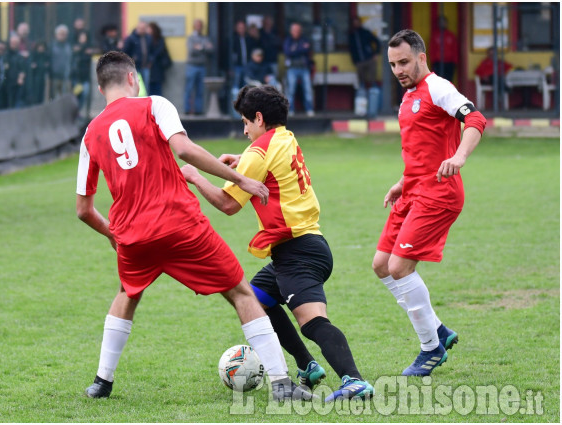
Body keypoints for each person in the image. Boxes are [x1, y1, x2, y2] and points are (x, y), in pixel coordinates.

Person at [76, 51, 312, 402]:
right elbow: (183, 149)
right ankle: (280, 384)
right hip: (179, 224)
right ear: (132, 78)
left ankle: (101, 382)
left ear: (100, 88)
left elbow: (83, 210)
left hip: (133, 236)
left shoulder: (90, 133)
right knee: (241, 293)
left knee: (128, 293)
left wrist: (114, 234)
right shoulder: (154, 104)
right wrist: (239, 179)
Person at [180, 85, 374, 402]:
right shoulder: (285, 137)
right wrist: (242, 159)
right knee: (256, 299)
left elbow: (228, 205)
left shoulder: (258, 152)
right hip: (303, 245)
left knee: (312, 322)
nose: (244, 130)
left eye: (245, 122)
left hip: (298, 251)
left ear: (259, 118)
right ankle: (307, 365)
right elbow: (272, 161)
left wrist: (195, 176)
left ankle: (354, 380)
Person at [373, 29, 486, 376]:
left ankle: (431, 349)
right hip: (413, 191)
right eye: (393, 64)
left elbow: (475, 119)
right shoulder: (408, 97)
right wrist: (402, 182)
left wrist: (461, 156)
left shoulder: (439, 88)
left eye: (404, 62)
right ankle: (438, 329)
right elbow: (422, 151)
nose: (398, 70)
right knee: (381, 265)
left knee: (399, 268)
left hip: (439, 194)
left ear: (421, 58)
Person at [283, 23, 314, 116]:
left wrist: (295, 50)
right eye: (294, 30)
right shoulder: (288, 40)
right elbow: (287, 52)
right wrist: (300, 49)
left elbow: (307, 50)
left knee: (307, 89)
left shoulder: (305, 39)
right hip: (292, 68)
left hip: (304, 68)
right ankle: (290, 109)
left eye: (298, 30)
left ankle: (309, 109)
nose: (296, 32)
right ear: (291, 31)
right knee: (291, 90)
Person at [184, 19, 213, 115]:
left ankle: (198, 110)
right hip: (192, 66)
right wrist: (204, 48)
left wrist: (200, 47)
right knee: (189, 89)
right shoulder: (191, 38)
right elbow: (192, 50)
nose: (199, 27)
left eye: (200, 25)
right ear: (194, 26)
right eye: (197, 25)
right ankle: (187, 110)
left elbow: (211, 49)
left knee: (200, 90)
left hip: (202, 67)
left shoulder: (205, 38)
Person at [348, 16, 380, 89]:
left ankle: (373, 93)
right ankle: (363, 96)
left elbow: (377, 41)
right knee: (361, 82)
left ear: (360, 23)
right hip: (359, 60)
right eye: (354, 23)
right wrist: (354, 60)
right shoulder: (351, 35)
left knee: (372, 79)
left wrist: (376, 53)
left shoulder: (365, 32)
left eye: (357, 23)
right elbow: (351, 49)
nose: (356, 25)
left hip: (369, 58)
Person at [71, 31, 95, 116]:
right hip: (77, 77)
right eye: (81, 37)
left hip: (85, 77)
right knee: (76, 96)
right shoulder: (75, 48)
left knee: (85, 94)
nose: (83, 39)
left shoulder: (88, 49)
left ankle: (80, 111)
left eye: (84, 37)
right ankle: (76, 112)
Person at [122, 19, 151, 88]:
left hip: (145, 66)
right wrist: (132, 60)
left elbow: (151, 50)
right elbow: (125, 51)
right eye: (140, 28)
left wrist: (150, 60)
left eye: (144, 28)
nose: (142, 30)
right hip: (135, 67)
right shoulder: (131, 38)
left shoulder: (148, 38)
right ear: (137, 28)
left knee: (145, 86)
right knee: (135, 86)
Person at [429, 16, 458, 83]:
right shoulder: (435, 35)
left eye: (444, 22)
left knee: (448, 81)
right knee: (438, 81)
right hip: (438, 62)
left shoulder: (451, 35)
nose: (442, 24)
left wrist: (455, 61)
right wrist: (433, 61)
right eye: (440, 22)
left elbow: (455, 49)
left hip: (449, 63)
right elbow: (432, 49)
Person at [146, 22, 170, 96]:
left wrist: (151, 60)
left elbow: (158, 51)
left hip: (157, 67)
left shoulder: (159, 40)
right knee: (149, 89)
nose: (147, 30)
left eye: (149, 29)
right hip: (149, 67)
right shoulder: (146, 39)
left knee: (157, 90)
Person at [5, 34, 28, 108]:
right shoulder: (5, 55)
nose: (14, 45)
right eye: (13, 43)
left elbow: (23, 69)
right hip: (7, 83)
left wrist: (21, 78)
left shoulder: (19, 56)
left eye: (16, 43)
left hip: (17, 84)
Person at [50, 24, 72, 99]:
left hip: (67, 77)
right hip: (55, 77)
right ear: (56, 35)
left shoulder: (69, 47)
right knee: (56, 99)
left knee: (66, 98)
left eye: (64, 34)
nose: (62, 36)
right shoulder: (52, 47)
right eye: (60, 34)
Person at [27, 41, 49, 105]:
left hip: (43, 77)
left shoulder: (45, 55)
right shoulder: (34, 55)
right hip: (35, 78)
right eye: (40, 47)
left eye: (42, 47)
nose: (41, 48)